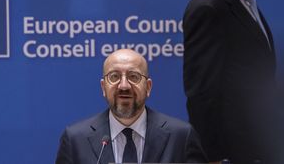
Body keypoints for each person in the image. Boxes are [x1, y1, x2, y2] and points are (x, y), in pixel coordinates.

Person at [183, 0, 276, 163]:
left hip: (257, 142)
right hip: (232, 152)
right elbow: (202, 91)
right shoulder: (209, 6)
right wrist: (211, 156)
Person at [55, 49, 207, 164]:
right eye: (114, 76)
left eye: (134, 76)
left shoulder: (181, 137)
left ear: (148, 87)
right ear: (103, 87)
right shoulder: (75, 140)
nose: (124, 86)